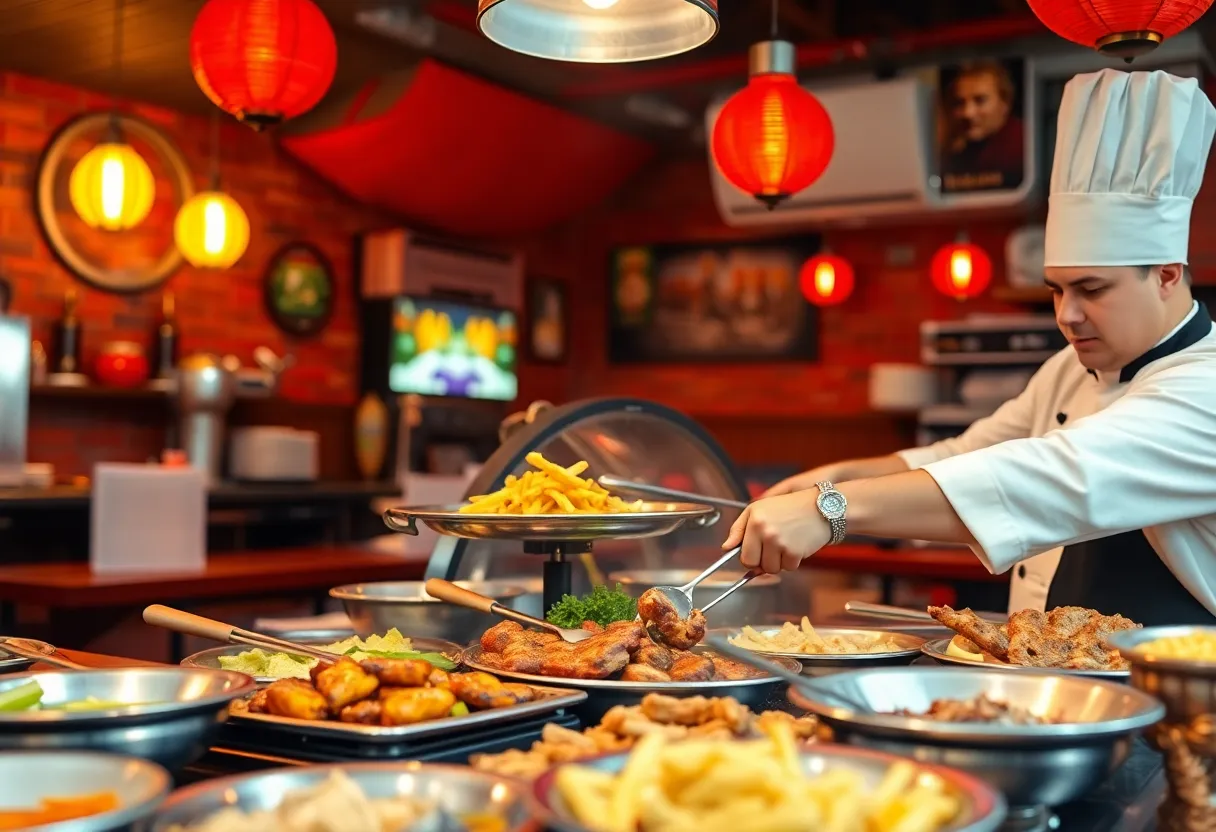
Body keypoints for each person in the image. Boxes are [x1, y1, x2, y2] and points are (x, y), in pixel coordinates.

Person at [724, 68, 1216, 626]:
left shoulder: (1206, 389)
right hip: (1060, 680)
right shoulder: (1070, 369)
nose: (1066, 315)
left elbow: (1050, 474)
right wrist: (832, 480)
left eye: (1092, 289)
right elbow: (964, 456)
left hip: (1181, 691)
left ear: (1168, 275)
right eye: (1056, 290)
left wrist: (828, 509)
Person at [941, 61, 1025, 192]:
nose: (968, 113)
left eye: (980, 100)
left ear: (1005, 102)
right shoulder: (959, 154)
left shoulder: (1025, 146)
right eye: (959, 103)